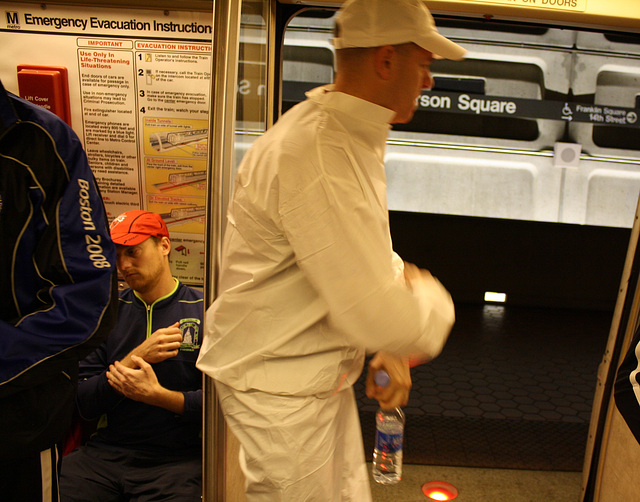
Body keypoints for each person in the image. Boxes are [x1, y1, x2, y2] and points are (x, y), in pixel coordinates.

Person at [196, 0, 465, 500]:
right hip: (282, 390)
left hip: (311, 374)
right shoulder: (319, 151)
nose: (429, 81)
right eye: (423, 63)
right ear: (386, 60)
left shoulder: (344, 133)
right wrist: (428, 302)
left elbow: (354, 249)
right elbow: (373, 310)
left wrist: (390, 335)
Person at [0, 78, 118, 502]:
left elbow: (88, 297)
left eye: (137, 250)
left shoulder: (42, 144)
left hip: (14, 421)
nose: (131, 264)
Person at [59, 210, 204, 502]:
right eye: (117, 255)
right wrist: (136, 356)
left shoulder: (202, 309)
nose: (123, 265)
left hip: (177, 460)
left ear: (164, 246)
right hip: (108, 454)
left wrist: (159, 396)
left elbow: (219, 404)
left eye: (133, 252)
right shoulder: (106, 315)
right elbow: (82, 402)